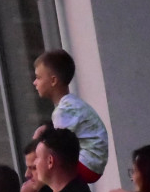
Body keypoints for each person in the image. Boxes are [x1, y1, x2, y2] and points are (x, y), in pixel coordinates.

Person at [32, 49, 108, 182]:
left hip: (87, 165)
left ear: (53, 80)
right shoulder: (71, 104)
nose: (34, 82)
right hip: (93, 163)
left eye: (38, 77)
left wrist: (39, 143)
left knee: (46, 162)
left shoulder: (64, 110)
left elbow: (57, 147)